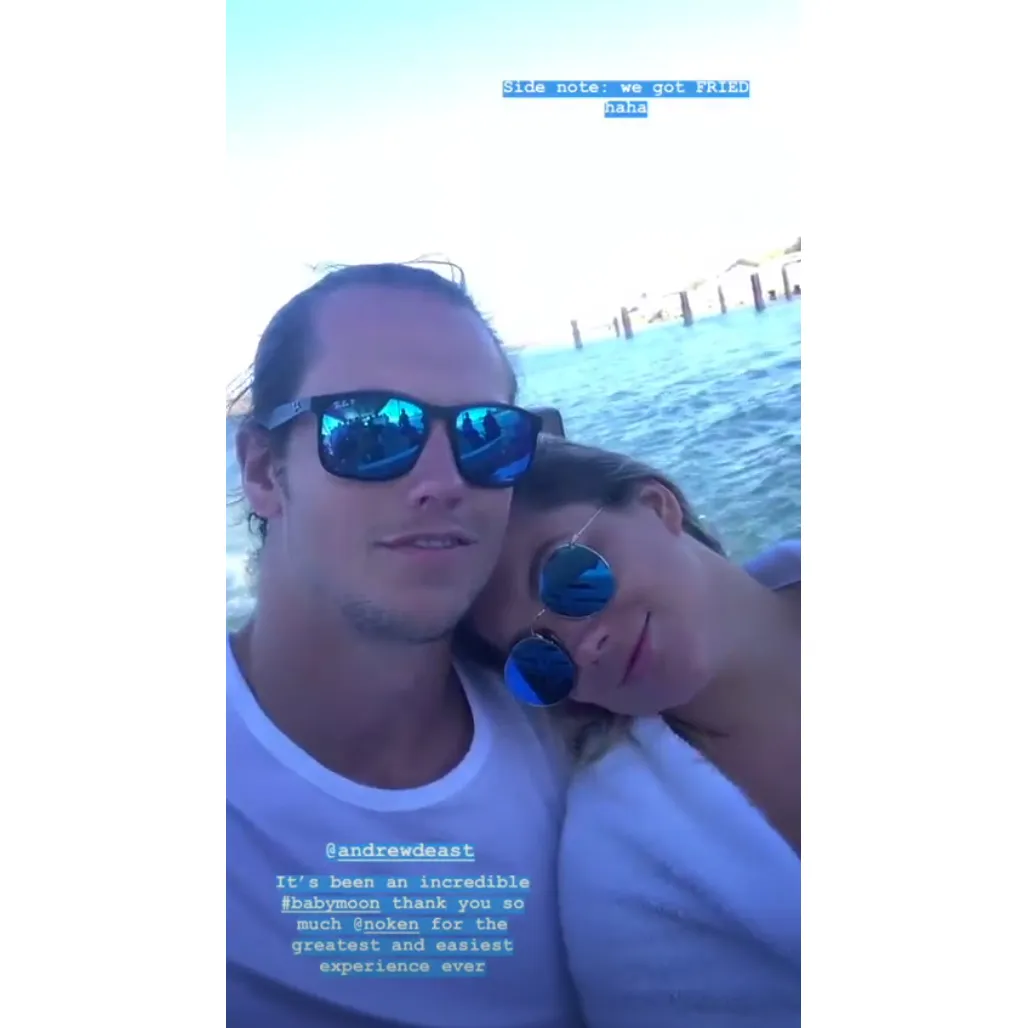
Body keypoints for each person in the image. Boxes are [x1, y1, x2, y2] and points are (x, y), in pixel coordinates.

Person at [227, 263, 584, 1027]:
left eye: (486, 435)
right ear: (262, 471)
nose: (445, 481)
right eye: (372, 430)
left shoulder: (583, 718)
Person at [460, 435, 801, 1028]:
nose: (583, 645)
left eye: (569, 576)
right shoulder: (627, 872)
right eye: (540, 659)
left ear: (655, 505)